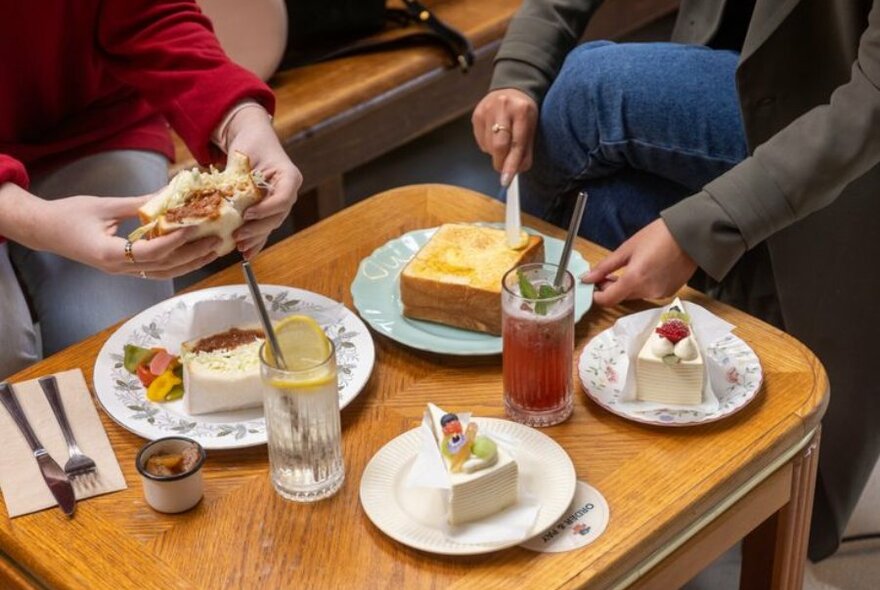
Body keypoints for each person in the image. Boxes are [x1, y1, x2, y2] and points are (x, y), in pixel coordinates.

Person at [473, 0, 880, 560]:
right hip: (749, 74)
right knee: (610, 218)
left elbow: (870, 108)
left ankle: (510, 337)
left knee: (594, 91)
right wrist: (516, 76)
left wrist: (698, 230)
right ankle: (586, 467)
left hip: (848, 128)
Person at [0, 1, 302, 379]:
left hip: (93, 129)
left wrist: (240, 118)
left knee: (119, 352)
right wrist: (28, 219)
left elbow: (151, 15)